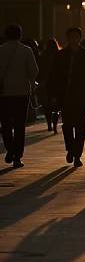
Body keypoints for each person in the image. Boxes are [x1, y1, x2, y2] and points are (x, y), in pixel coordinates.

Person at [49, 27, 85, 167]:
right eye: (71, 37)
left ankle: (77, 154)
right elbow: (54, 77)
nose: (74, 40)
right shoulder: (60, 55)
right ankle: (70, 149)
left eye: (76, 37)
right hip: (65, 96)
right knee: (67, 125)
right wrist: (53, 95)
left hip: (81, 96)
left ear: (80, 38)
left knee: (80, 127)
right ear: (68, 38)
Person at [0, 24, 39, 168]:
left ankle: (10, 149)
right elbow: (34, 71)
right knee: (19, 125)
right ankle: (17, 156)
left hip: (4, 93)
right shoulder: (26, 50)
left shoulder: (0, 50)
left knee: (5, 124)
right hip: (22, 92)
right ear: (20, 35)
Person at [37, 38, 61, 134]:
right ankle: (55, 125)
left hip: (45, 83)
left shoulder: (43, 56)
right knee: (56, 106)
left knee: (46, 106)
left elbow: (39, 69)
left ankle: (49, 124)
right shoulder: (59, 55)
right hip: (57, 84)